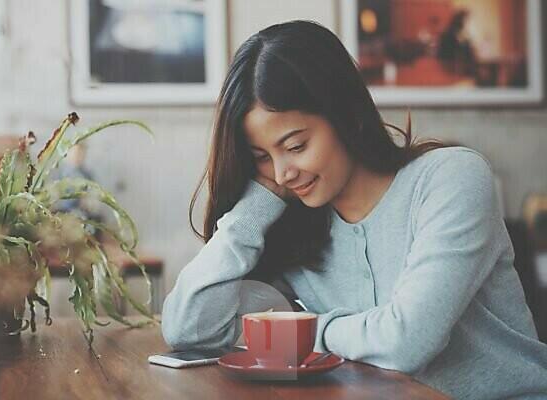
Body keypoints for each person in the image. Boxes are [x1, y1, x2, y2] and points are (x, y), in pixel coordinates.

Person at [161, 20, 547, 399]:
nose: (281, 173)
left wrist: (303, 329)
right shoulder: (296, 228)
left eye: (296, 146)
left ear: (345, 113)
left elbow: (407, 341)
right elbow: (189, 328)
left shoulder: (451, 178)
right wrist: (254, 207)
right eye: (261, 157)